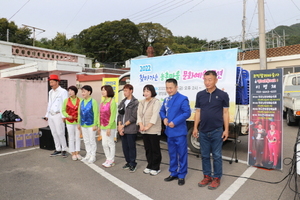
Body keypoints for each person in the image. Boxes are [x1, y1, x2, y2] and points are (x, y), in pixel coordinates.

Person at [192, 70, 229, 190]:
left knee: (217, 155)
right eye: (205, 80)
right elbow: (198, 112)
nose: (207, 82)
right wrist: (195, 127)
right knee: (205, 155)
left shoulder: (223, 95)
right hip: (203, 131)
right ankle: (207, 176)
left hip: (217, 130)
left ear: (216, 80)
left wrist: (226, 130)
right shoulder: (200, 95)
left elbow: (225, 112)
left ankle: (217, 177)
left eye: (210, 80)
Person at [159, 78, 191, 186]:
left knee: (182, 154)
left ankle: (182, 175)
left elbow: (187, 113)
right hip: (169, 133)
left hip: (179, 132)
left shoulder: (183, 99)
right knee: (172, 154)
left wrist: (175, 122)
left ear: (176, 87)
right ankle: (173, 173)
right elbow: (162, 111)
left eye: (171, 88)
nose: (169, 90)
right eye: (167, 88)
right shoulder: (166, 99)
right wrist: (164, 118)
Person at [137, 84, 162, 176]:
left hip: (153, 129)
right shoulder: (141, 102)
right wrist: (140, 125)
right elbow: (138, 115)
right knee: (147, 148)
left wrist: (147, 126)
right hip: (143, 129)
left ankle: (156, 167)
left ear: (152, 92)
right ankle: (149, 165)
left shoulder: (156, 102)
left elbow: (155, 115)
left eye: (148, 91)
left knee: (155, 149)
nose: (146, 93)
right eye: (144, 91)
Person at [44, 74, 68, 157]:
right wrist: (47, 114)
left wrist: (63, 116)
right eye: (50, 81)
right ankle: (58, 149)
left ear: (57, 82)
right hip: (51, 114)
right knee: (54, 133)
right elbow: (49, 104)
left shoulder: (63, 92)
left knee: (60, 132)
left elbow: (65, 104)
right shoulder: (50, 92)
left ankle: (64, 149)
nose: (51, 83)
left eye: (52, 81)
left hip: (58, 114)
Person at [117, 84, 139, 173]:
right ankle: (128, 162)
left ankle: (133, 163)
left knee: (131, 147)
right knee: (125, 147)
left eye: (126, 90)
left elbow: (134, 117)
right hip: (122, 128)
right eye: (124, 91)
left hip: (131, 128)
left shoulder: (135, 102)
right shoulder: (122, 102)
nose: (125, 92)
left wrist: (123, 125)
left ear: (131, 90)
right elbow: (119, 115)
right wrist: (119, 126)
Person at [77, 85, 99, 164]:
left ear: (89, 92)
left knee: (92, 140)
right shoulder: (81, 102)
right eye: (82, 92)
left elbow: (96, 113)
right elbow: (79, 113)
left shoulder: (93, 101)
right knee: (86, 141)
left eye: (84, 91)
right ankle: (88, 154)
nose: (82, 93)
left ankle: (93, 155)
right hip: (83, 124)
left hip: (91, 124)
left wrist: (95, 124)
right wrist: (79, 123)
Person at [62, 86, 82, 161]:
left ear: (75, 91)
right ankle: (73, 153)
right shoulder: (66, 100)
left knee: (77, 137)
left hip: (77, 121)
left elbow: (81, 111)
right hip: (69, 121)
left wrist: (80, 121)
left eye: (71, 90)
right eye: (69, 90)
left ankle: (77, 152)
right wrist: (67, 115)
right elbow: (63, 110)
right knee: (71, 137)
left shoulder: (80, 100)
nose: (69, 92)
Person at [99, 85, 117, 168]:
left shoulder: (112, 102)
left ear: (109, 91)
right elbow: (100, 115)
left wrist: (109, 127)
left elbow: (113, 115)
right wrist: (99, 125)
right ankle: (108, 158)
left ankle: (111, 160)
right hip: (103, 126)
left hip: (110, 126)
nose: (102, 92)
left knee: (110, 143)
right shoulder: (102, 102)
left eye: (104, 90)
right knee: (104, 144)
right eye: (102, 90)